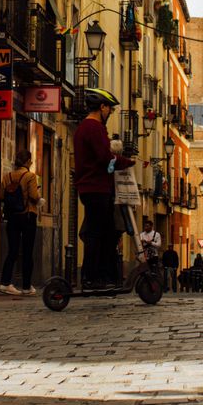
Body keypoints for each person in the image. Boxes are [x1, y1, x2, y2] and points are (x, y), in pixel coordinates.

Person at [73, 88, 134, 289]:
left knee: (102, 232)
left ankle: (101, 276)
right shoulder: (94, 128)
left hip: (91, 187)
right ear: (102, 107)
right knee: (99, 233)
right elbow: (104, 158)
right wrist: (124, 161)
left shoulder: (84, 127)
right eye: (110, 109)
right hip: (96, 188)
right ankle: (93, 277)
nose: (110, 113)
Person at [0, 149, 41, 296]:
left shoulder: (7, 177)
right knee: (28, 252)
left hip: (12, 217)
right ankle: (27, 286)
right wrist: (39, 198)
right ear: (27, 161)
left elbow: (1, 196)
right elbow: (34, 196)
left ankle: (5, 283)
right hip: (28, 215)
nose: (32, 162)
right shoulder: (30, 176)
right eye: (30, 160)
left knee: (12, 250)